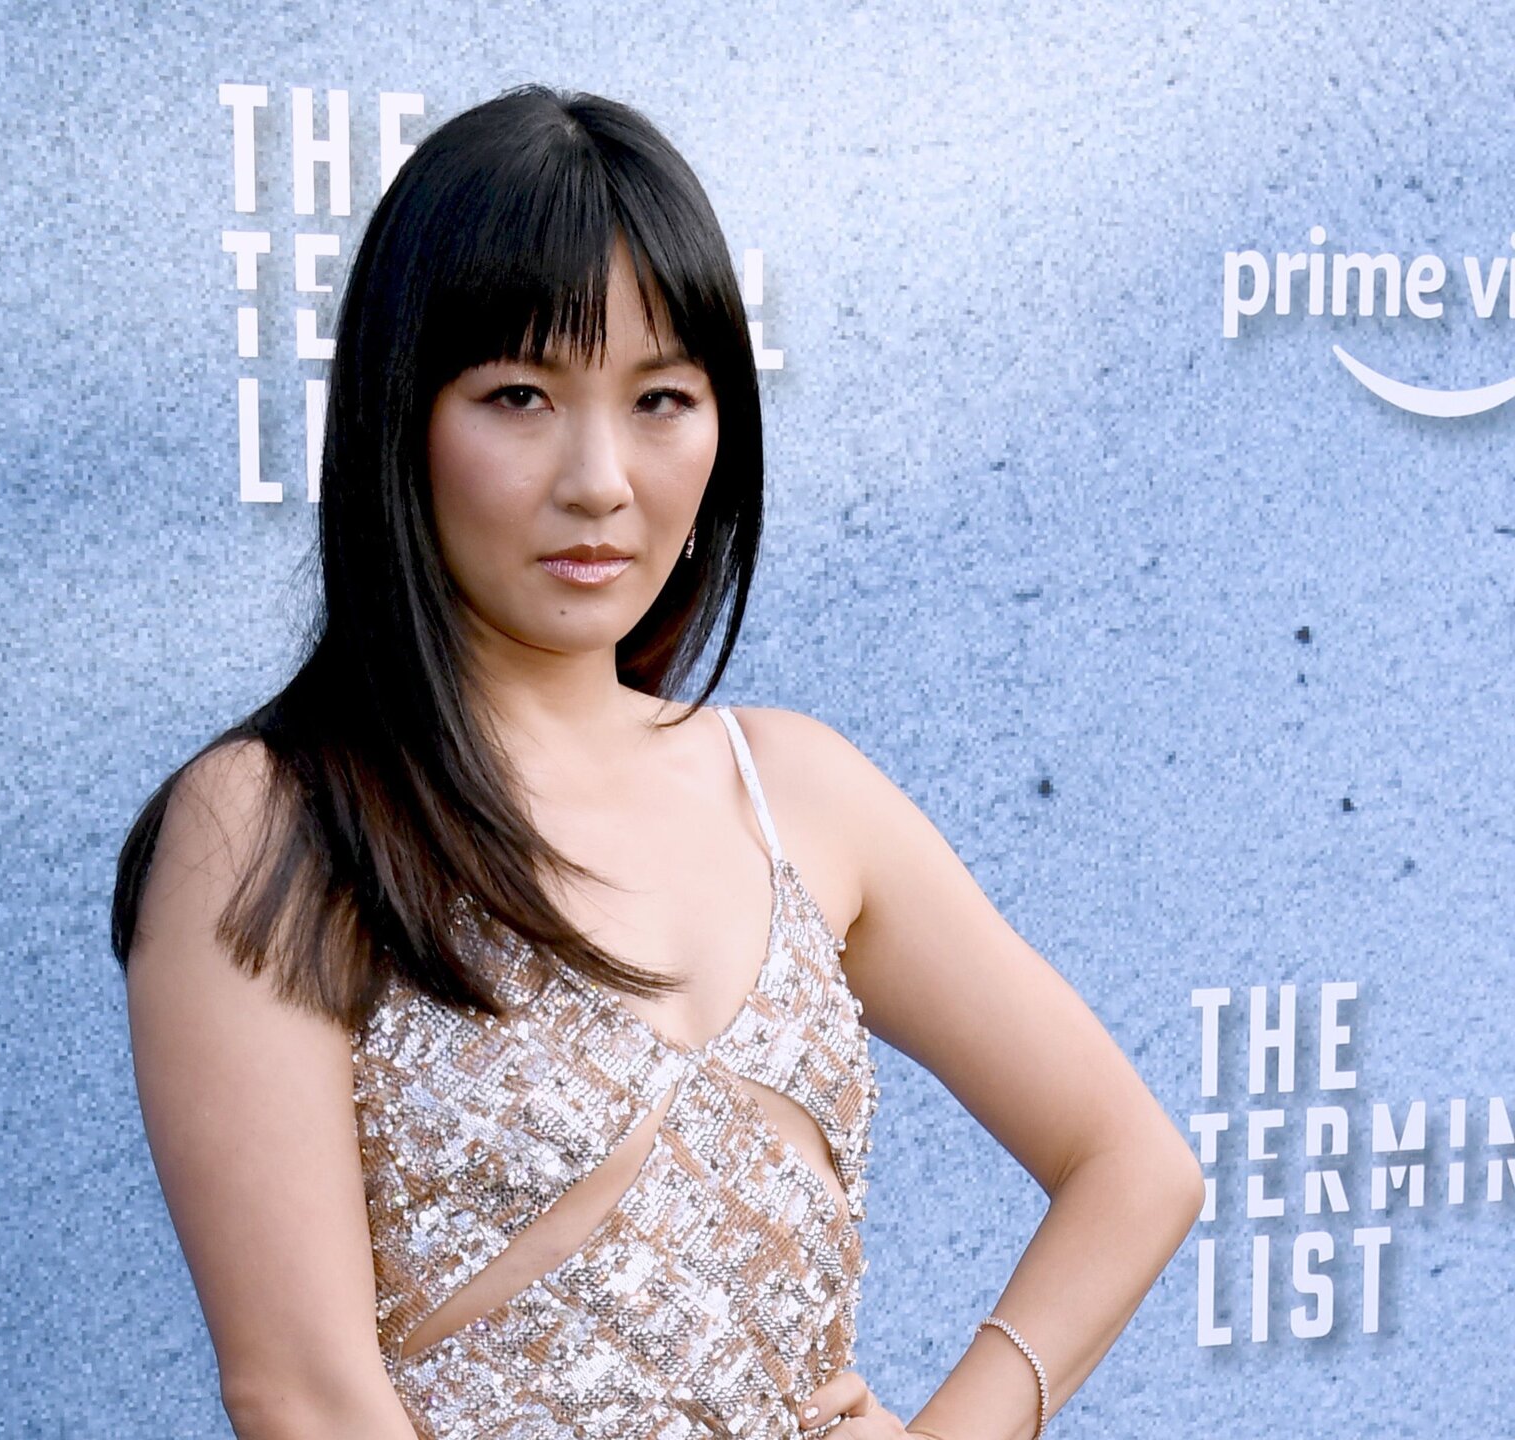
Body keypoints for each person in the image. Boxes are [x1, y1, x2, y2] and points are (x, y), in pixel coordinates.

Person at [112, 84, 1203, 1440]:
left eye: (661, 399)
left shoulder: (797, 790)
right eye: (519, 395)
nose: (600, 479)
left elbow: (1133, 1164)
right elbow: (304, 1394)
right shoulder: (274, 823)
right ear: (402, 416)